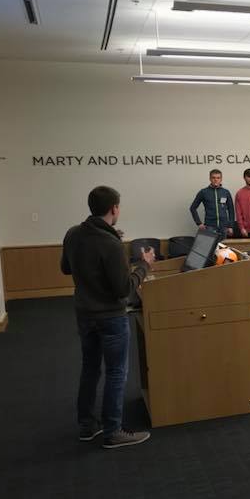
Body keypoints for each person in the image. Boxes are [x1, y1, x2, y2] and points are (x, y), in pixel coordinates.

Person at [61, 185, 153, 448]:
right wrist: (144, 266)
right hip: (110, 317)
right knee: (116, 372)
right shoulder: (110, 243)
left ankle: (87, 426)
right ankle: (113, 431)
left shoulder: (74, 234)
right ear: (114, 208)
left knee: (90, 368)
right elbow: (123, 288)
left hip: (84, 313)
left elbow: (65, 267)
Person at [189, 169, 234, 238]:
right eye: (213, 178)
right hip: (210, 227)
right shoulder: (203, 192)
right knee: (211, 248)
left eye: (218, 178)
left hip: (224, 227)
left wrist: (230, 226)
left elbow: (231, 210)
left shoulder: (226, 192)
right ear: (210, 179)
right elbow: (192, 208)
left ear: (221, 179)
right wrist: (199, 223)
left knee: (222, 248)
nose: (216, 180)